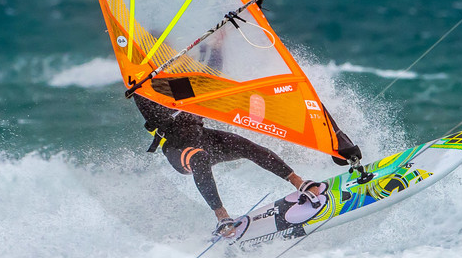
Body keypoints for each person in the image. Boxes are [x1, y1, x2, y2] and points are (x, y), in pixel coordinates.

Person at [133, 93, 331, 235]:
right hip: (178, 147)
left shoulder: (179, 78)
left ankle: (297, 181)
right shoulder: (143, 89)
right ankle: (222, 215)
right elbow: (156, 116)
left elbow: (208, 88)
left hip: (202, 137)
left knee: (245, 146)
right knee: (199, 158)